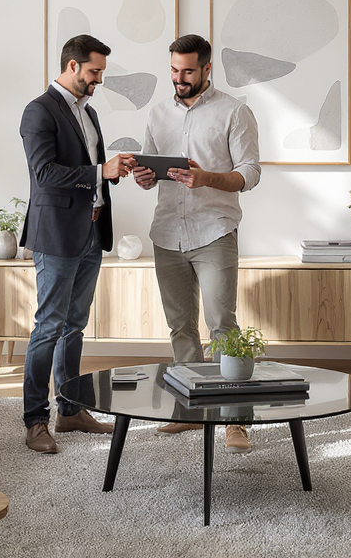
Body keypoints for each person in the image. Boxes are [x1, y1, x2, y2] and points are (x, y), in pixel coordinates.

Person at [133, 34, 261, 453]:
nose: (179, 78)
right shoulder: (157, 113)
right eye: (173, 70)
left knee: (222, 326)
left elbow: (250, 173)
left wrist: (206, 177)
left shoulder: (234, 111)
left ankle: (235, 419)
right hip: (167, 232)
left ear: (207, 69)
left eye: (187, 70)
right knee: (180, 327)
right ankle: (190, 410)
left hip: (214, 232)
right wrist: (145, 176)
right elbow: (148, 165)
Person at [18, 33, 137, 454]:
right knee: (49, 325)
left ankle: (69, 410)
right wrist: (98, 171)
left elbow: (91, 170)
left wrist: (111, 171)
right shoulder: (39, 111)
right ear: (73, 66)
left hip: (91, 230)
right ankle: (35, 420)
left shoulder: (89, 113)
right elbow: (45, 174)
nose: (98, 79)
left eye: (100, 72)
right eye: (94, 71)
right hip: (56, 236)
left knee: (75, 325)